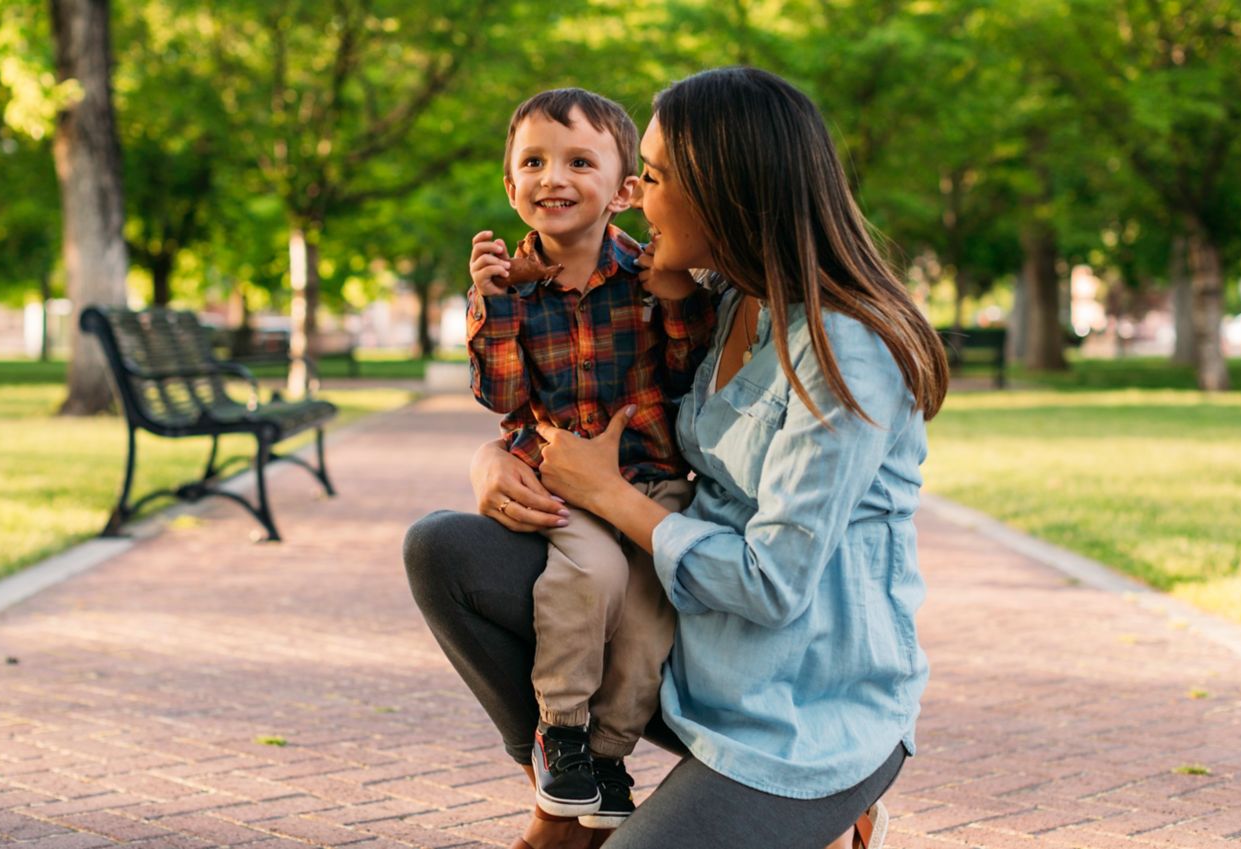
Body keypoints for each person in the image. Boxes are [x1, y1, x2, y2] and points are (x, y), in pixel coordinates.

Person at [406, 67, 949, 849]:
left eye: (651, 178)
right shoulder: (719, 301)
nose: (633, 196)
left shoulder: (846, 352)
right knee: (444, 548)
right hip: (682, 657)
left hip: (799, 713)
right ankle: (573, 804)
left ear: (720, 191)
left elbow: (773, 583)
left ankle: (831, 814)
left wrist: (609, 494)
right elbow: (589, 395)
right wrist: (497, 456)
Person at [465, 88, 716, 828]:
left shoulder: (647, 274)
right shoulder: (508, 289)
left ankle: (609, 753)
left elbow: (681, 379)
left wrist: (673, 302)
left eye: (580, 161)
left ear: (624, 190)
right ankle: (562, 731)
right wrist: (493, 306)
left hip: (649, 480)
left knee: (647, 605)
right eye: (534, 162)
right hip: (562, 482)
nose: (554, 178)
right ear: (510, 188)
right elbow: (502, 396)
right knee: (591, 575)